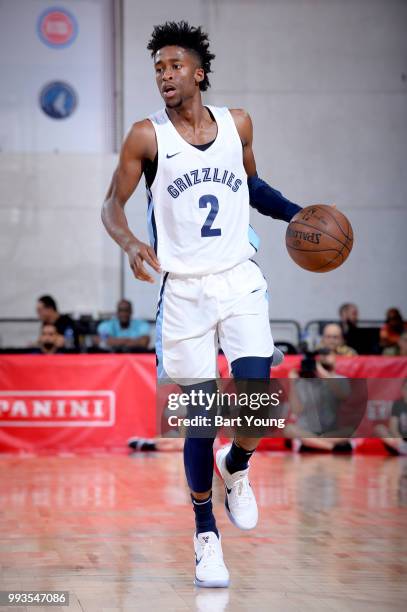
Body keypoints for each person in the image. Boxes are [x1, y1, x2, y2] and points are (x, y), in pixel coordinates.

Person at [101, 21, 329, 588]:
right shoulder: (145, 136)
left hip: (238, 279)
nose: (164, 76)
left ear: (199, 72)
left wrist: (297, 213)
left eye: (174, 66)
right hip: (181, 290)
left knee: (255, 405)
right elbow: (112, 205)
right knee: (200, 419)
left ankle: (239, 465)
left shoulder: (238, 123)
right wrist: (131, 242)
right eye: (157, 69)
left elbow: (250, 185)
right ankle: (206, 534)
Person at [285, 350, 353, 452]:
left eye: (327, 354)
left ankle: (314, 443)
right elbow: (296, 410)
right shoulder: (303, 382)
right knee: (289, 429)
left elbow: (343, 395)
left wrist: (321, 372)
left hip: (331, 432)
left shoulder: (341, 379)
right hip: (308, 431)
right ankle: (332, 448)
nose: (323, 358)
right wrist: (292, 383)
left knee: (351, 430)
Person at [375, 379, 407, 455]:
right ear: (402, 390)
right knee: (379, 428)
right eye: (406, 388)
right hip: (399, 441)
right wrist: (401, 442)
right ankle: (402, 448)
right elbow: (393, 428)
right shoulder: (398, 404)